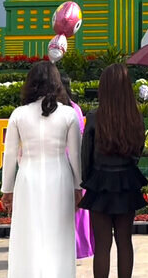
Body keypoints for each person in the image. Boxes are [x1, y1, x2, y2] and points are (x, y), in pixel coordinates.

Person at [1, 60, 82, 277]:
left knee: (29, 233)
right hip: (60, 177)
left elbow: (9, 154)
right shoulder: (68, 114)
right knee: (59, 232)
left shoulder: (18, 114)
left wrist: (7, 189)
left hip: (28, 178)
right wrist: (78, 186)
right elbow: (75, 155)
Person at [79, 64, 147, 278]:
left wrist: (88, 179)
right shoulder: (135, 116)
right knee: (125, 241)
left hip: (99, 181)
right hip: (126, 180)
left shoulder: (94, 116)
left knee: (102, 245)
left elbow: (86, 155)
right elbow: (138, 150)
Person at [60, 72, 95, 260]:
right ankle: (80, 246)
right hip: (74, 160)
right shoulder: (74, 108)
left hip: (61, 160)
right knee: (77, 204)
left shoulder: (58, 109)